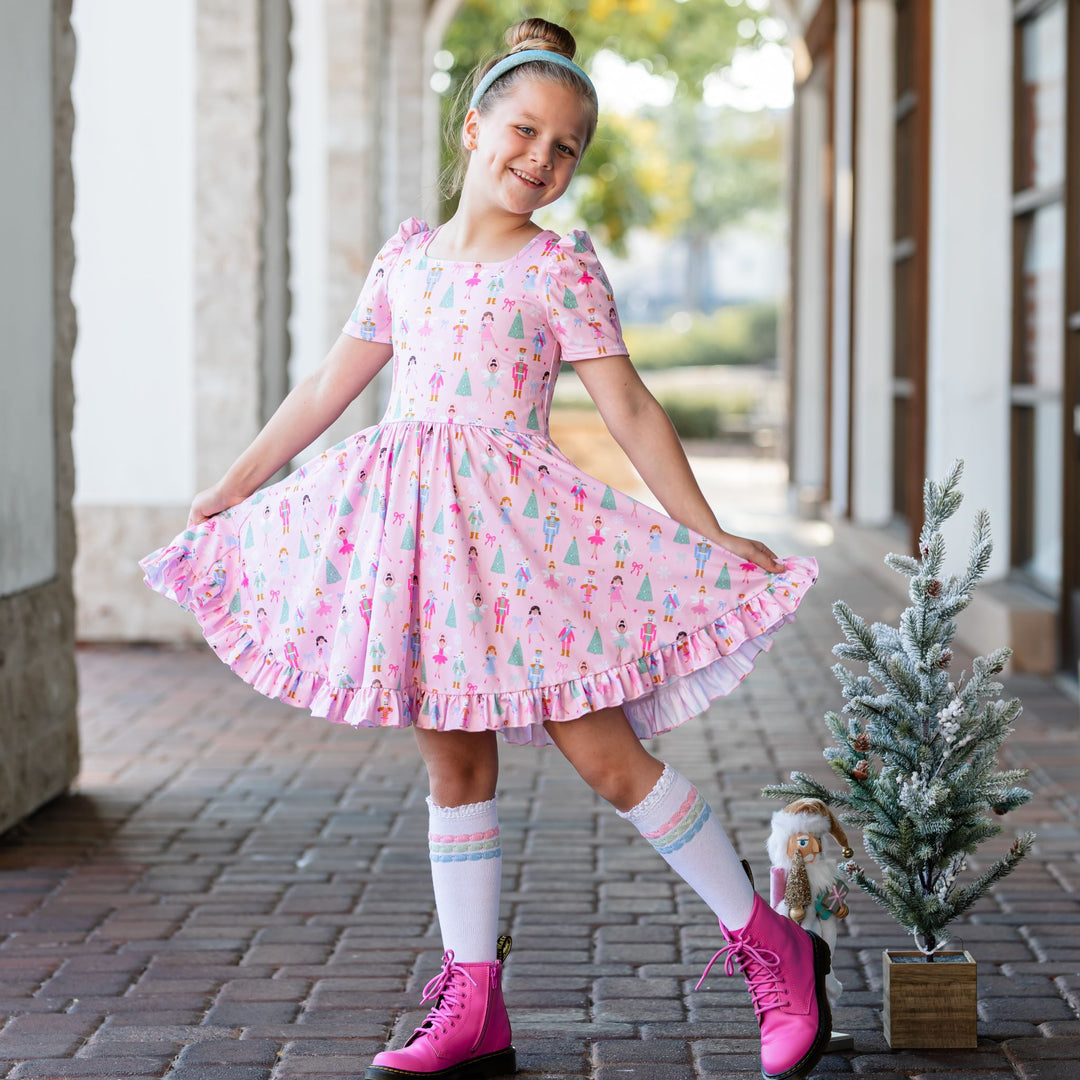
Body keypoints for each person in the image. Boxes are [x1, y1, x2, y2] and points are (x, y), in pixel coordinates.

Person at [140, 17, 829, 1080]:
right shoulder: (407, 259)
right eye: (523, 131)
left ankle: (768, 941)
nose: (539, 160)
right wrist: (233, 487)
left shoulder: (560, 271)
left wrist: (706, 532)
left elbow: (633, 410)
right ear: (473, 128)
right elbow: (330, 384)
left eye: (565, 149)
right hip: (420, 544)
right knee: (456, 761)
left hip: (523, 545)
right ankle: (475, 1003)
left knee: (604, 756)